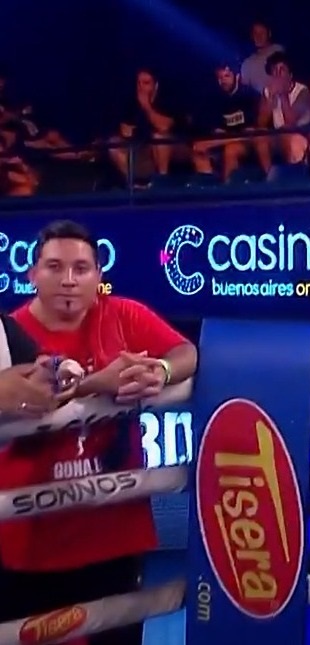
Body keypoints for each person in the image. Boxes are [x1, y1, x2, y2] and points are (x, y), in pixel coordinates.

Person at [0, 220, 198, 645]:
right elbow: (27, 396)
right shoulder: (10, 334)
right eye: (55, 267)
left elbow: (186, 352)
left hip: (114, 534)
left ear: (98, 276)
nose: (68, 280)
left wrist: (161, 371)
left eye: (81, 268)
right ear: (32, 275)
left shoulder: (124, 315)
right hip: (30, 540)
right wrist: (98, 385)